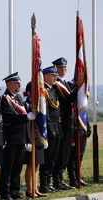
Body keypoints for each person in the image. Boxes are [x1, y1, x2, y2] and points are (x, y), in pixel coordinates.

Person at [0, 72, 35, 200]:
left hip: (21, 138)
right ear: (9, 84)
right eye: (16, 82)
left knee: (17, 167)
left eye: (19, 82)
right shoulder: (4, 99)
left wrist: (27, 139)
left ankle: (15, 191)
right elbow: (8, 118)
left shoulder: (19, 98)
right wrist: (25, 118)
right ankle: (5, 192)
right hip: (11, 138)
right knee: (8, 167)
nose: (20, 84)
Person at [52, 57, 77, 190]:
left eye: (65, 67)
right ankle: (57, 179)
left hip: (70, 121)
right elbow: (61, 104)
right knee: (60, 152)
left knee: (66, 152)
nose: (63, 70)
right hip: (62, 121)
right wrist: (74, 95)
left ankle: (61, 179)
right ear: (55, 68)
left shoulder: (65, 84)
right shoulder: (56, 85)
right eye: (61, 68)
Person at [39, 66, 62, 193]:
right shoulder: (44, 92)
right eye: (53, 76)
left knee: (54, 156)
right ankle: (44, 184)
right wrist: (50, 129)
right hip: (50, 128)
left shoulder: (52, 91)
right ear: (46, 76)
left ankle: (49, 182)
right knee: (48, 157)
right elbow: (45, 113)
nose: (55, 78)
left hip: (57, 127)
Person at [22, 82, 46, 198]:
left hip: (38, 135)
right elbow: (26, 122)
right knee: (31, 165)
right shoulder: (26, 104)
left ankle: (35, 188)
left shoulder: (39, 104)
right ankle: (29, 189)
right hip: (31, 136)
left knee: (36, 165)